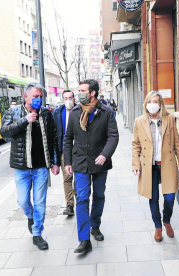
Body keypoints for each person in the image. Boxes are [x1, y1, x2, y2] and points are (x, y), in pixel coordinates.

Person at [0, 83, 60, 250]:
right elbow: (4, 133)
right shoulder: (13, 112)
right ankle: (30, 216)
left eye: (40, 97)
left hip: (41, 167)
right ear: (25, 96)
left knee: (40, 201)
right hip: (21, 167)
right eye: (35, 96)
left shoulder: (47, 115)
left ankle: (37, 233)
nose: (38, 99)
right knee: (23, 200)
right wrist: (23, 121)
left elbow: (54, 139)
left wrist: (55, 162)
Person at [64, 79, 119, 253]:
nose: (79, 93)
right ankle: (84, 239)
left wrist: (105, 154)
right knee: (81, 199)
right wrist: (67, 162)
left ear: (92, 93)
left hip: (99, 162)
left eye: (82, 90)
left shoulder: (106, 111)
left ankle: (95, 225)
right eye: (79, 89)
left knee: (99, 196)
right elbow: (68, 139)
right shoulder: (74, 113)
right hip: (80, 162)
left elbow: (113, 136)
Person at [131, 91, 179, 242]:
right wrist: (136, 164)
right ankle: (158, 226)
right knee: (153, 197)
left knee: (169, 197)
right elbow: (136, 145)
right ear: (146, 104)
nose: (153, 104)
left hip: (167, 163)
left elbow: (177, 142)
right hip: (149, 166)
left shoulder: (170, 119)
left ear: (160, 104)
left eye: (156, 101)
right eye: (150, 101)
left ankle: (166, 220)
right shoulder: (139, 122)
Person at [52, 90, 77, 216]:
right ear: (62, 99)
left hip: (79, 151)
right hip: (64, 151)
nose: (68, 100)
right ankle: (69, 205)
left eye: (70, 97)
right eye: (65, 98)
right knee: (67, 178)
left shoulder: (80, 111)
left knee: (78, 177)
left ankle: (80, 201)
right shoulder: (57, 113)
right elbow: (54, 135)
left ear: (74, 99)